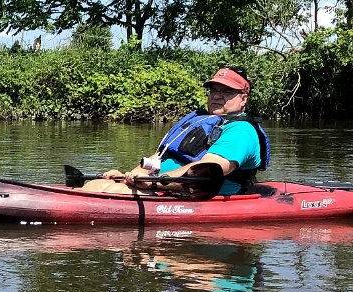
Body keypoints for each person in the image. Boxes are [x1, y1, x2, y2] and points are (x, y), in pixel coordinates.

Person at [83, 66, 269, 195]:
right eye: (214, 90)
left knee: (112, 191)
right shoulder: (199, 120)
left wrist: (152, 181)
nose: (217, 96)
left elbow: (206, 172)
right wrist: (130, 176)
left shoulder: (241, 131)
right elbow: (158, 158)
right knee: (99, 184)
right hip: (160, 186)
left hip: (194, 195)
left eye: (226, 91)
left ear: (243, 99)